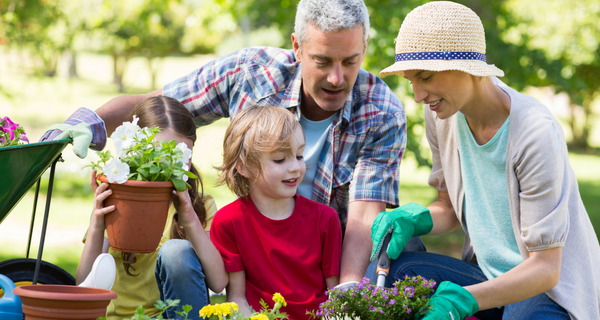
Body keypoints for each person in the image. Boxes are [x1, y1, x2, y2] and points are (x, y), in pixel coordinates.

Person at [43, 0, 417, 283]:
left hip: (324, 265)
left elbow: (363, 219)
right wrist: (86, 122)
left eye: (350, 61)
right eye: (322, 61)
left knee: (408, 258)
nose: (337, 78)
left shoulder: (381, 111)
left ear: (364, 47)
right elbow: (157, 106)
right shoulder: (250, 74)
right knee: (176, 255)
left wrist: (345, 294)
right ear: (297, 48)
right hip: (247, 257)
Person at [367, 2, 600, 320]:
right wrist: (416, 218)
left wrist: (462, 300)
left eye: (426, 76)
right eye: (411, 80)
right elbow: (448, 208)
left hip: (543, 289)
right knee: (396, 270)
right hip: (486, 278)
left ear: (469, 68)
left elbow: (546, 268)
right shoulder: (442, 114)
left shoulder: (533, 131)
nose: (419, 95)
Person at [76, 96, 228, 320]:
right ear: (136, 152)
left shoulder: (201, 205)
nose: (170, 165)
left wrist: (190, 219)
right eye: (160, 153)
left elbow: (218, 283)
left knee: (175, 251)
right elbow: (83, 284)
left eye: (180, 155)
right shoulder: (117, 201)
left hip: (178, 315)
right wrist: (98, 224)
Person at [209, 105, 342, 320]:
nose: (295, 168)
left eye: (299, 156)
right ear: (244, 167)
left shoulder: (325, 219)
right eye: (280, 159)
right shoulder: (229, 222)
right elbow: (237, 298)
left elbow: (335, 296)